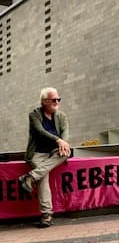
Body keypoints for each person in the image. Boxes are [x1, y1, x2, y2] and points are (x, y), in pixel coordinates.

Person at [18, 87, 72, 228]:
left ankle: (30, 177)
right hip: (37, 153)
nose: (57, 102)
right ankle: (46, 214)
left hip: (54, 152)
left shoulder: (62, 116)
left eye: (58, 99)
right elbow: (40, 131)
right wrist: (58, 140)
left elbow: (65, 132)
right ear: (44, 101)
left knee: (66, 152)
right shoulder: (34, 115)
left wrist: (63, 142)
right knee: (43, 177)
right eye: (54, 100)